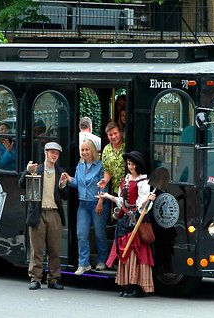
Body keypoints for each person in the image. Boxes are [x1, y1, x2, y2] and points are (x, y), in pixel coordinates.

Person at [100, 151, 156, 297]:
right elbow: (121, 200)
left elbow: (142, 206)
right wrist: (107, 196)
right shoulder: (126, 179)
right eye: (129, 164)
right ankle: (127, 285)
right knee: (124, 253)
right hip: (124, 220)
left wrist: (147, 200)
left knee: (135, 253)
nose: (130, 166)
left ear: (138, 165)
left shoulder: (143, 182)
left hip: (136, 221)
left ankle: (136, 286)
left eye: (132, 164)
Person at [18, 141, 68, 291]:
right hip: (37, 213)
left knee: (54, 249)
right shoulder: (35, 169)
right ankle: (35, 278)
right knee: (37, 249)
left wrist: (63, 185)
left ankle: (53, 279)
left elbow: (65, 196)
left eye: (57, 153)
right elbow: (21, 185)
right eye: (52, 152)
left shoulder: (60, 172)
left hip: (54, 213)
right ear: (45, 152)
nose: (54, 155)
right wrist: (27, 171)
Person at [60, 139, 109, 275]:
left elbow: (104, 185)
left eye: (87, 149)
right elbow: (76, 183)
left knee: (99, 233)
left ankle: (102, 261)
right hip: (83, 204)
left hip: (97, 203)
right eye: (82, 150)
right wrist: (68, 179)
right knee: (81, 234)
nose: (84, 152)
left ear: (92, 150)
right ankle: (83, 263)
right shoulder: (80, 165)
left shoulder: (100, 166)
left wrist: (100, 202)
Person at [101, 121, 125, 196]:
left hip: (129, 189)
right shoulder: (106, 150)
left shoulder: (127, 147)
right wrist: (105, 181)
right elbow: (107, 170)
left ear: (120, 133)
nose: (113, 137)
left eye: (115, 133)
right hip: (115, 189)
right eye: (110, 135)